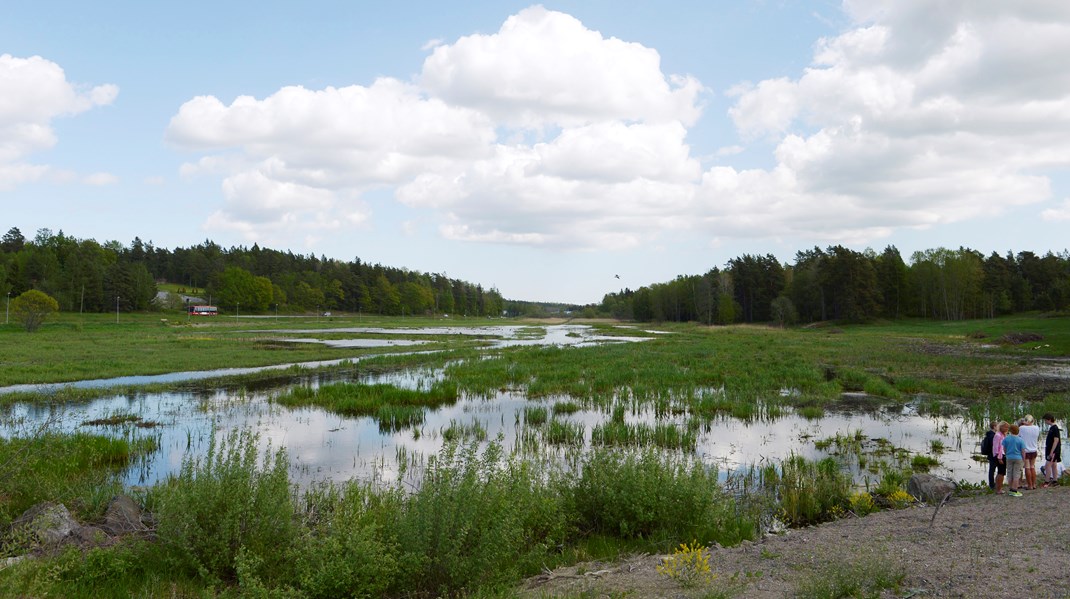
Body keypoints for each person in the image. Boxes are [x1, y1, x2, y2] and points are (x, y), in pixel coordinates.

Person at [1003, 424, 1026, 497]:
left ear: (1010, 431)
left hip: (1009, 457)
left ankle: (1010, 488)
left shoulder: (1006, 439)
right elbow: (1023, 451)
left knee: (1009, 473)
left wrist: (1007, 454)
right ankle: (1014, 489)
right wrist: (1024, 460)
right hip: (1018, 458)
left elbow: (1004, 448)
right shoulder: (1020, 440)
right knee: (1016, 474)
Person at [1019, 414, 1041, 490]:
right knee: (1032, 467)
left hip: (1026, 451)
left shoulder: (1021, 428)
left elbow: (1019, 436)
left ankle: (1030, 485)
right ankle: (1034, 484)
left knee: (1027, 467)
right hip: (1034, 450)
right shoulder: (1036, 428)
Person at [1043, 413, 1061, 487]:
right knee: (1054, 465)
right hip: (1051, 449)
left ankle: (1047, 481)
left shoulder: (1055, 428)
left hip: (1053, 450)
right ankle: (1055, 481)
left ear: (1049, 419)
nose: (1045, 422)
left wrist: (1051, 452)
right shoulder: (1052, 428)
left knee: (1048, 465)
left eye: (1045, 420)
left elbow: (1056, 440)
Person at [994, 421, 1009, 494]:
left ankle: (999, 487)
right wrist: (998, 457)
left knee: (1002, 472)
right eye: (1005, 427)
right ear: (1001, 427)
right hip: (1000, 456)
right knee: (1001, 472)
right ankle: (998, 489)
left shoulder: (1003, 435)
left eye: (1007, 427)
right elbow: (996, 447)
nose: (1006, 429)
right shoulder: (998, 435)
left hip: (1003, 455)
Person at [982, 421, 998, 490]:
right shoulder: (993, 436)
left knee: (991, 470)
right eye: (997, 426)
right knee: (994, 470)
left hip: (990, 454)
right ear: (994, 427)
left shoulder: (988, 435)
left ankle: (992, 484)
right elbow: (994, 446)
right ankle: (992, 484)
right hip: (994, 455)